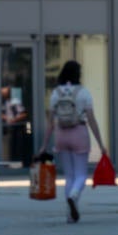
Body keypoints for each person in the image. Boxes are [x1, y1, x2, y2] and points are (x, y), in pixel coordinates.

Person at [46, 60, 105, 224]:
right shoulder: (83, 93)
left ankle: (70, 214)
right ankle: (74, 196)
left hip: (61, 135)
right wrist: (100, 143)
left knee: (69, 176)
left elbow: (50, 122)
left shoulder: (56, 93)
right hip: (79, 133)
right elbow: (91, 120)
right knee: (81, 175)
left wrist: (44, 145)